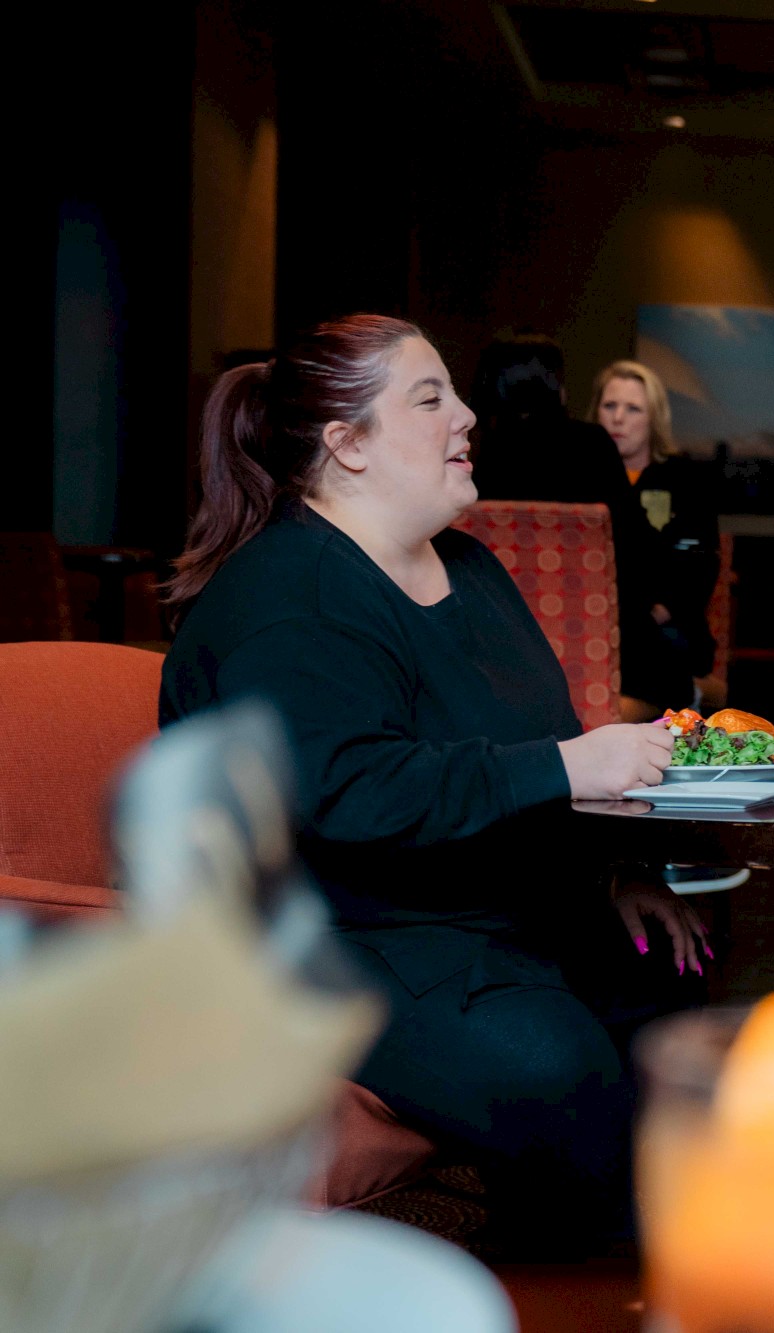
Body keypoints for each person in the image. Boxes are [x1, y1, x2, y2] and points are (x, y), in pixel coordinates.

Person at [159, 315, 711, 1250]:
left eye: (455, 393)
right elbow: (347, 790)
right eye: (430, 398)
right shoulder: (284, 593)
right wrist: (571, 764)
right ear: (348, 445)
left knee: (673, 998)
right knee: (561, 1070)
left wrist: (611, 879)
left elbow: (521, 753)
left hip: (482, 921)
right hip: (341, 952)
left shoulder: (471, 567)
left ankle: (597, 1271)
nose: (466, 416)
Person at [469, 333, 677, 710]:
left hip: (500, 652)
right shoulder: (591, 444)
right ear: (555, 387)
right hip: (605, 652)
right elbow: (636, 547)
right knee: (669, 671)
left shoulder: (476, 456)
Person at [590, 359, 719, 705]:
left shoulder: (683, 477)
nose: (618, 418)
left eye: (633, 409)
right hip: (596, 621)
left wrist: (659, 608)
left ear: (654, 418)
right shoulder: (581, 478)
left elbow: (701, 564)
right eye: (610, 405)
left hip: (665, 623)